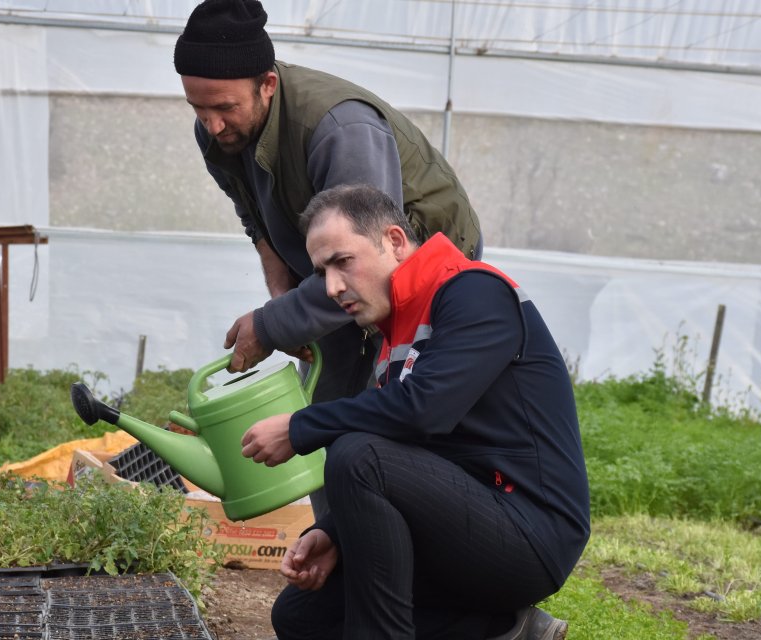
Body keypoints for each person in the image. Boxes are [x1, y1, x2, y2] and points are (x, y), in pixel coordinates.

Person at [239, 184, 590, 640]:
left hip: (528, 534)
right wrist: (334, 533)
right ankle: (501, 630)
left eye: (343, 261)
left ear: (395, 241)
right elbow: (411, 453)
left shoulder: (475, 291)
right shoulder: (397, 331)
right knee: (302, 616)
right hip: (459, 524)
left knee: (358, 455)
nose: (332, 287)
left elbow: (423, 411)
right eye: (322, 271)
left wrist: (299, 426)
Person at [173, 0, 482, 409]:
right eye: (199, 108)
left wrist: (270, 325)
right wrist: (283, 306)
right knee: (325, 403)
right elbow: (256, 221)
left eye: (226, 108)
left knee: (395, 405)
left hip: (412, 259)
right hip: (336, 265)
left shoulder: (340, 129)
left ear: (268, 85)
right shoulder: (217, 132)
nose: (212, 125)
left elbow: (369, 258)